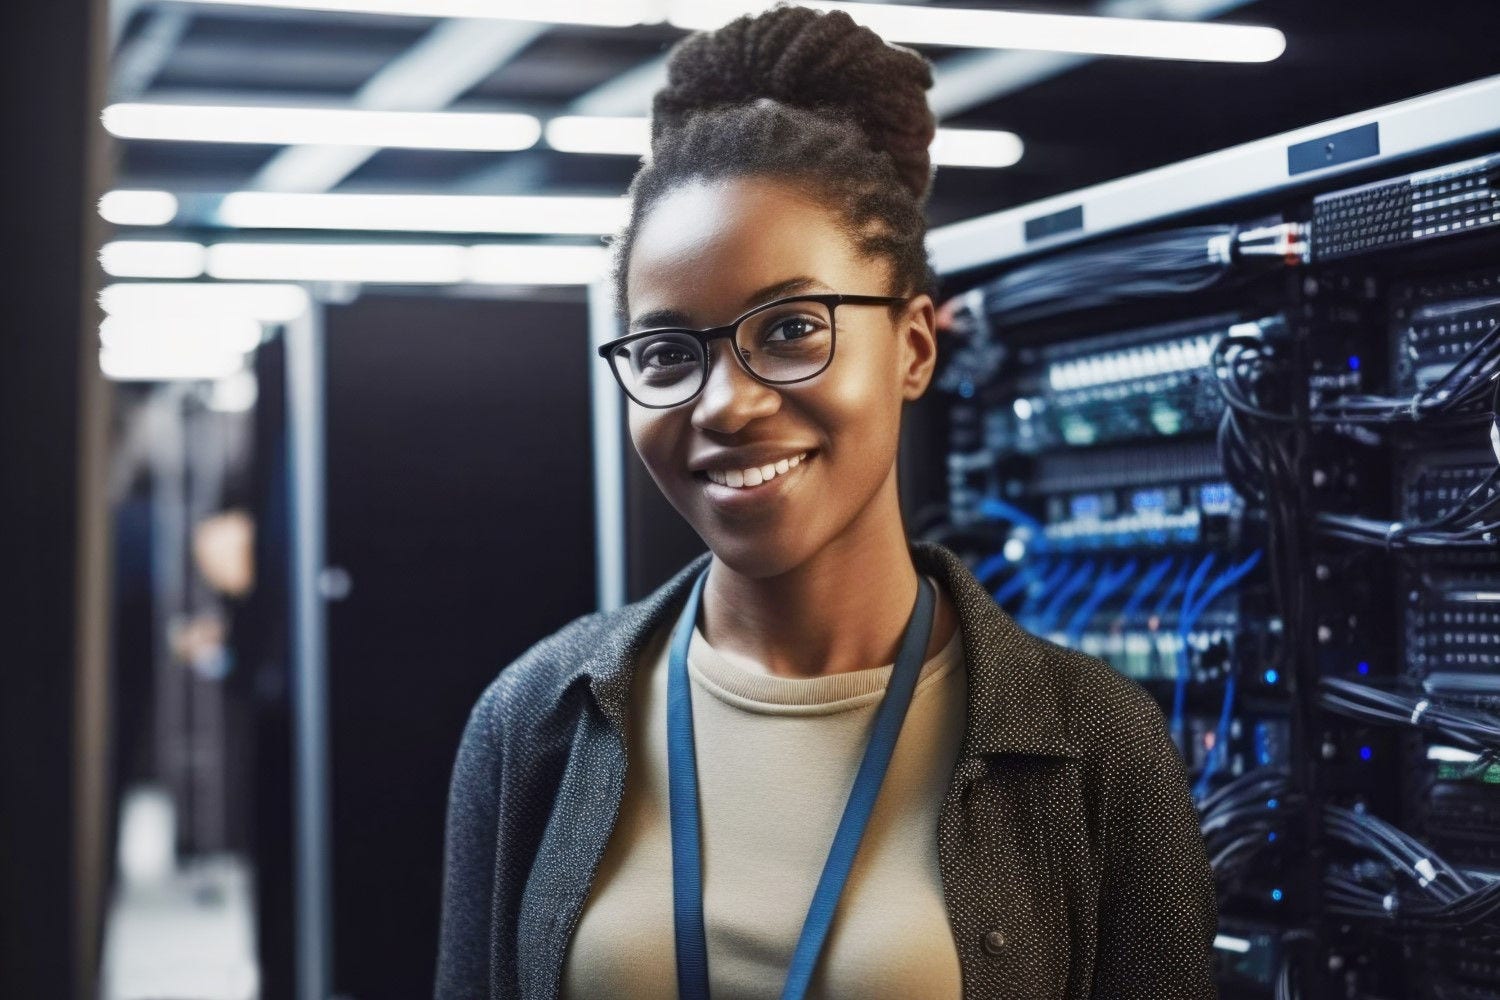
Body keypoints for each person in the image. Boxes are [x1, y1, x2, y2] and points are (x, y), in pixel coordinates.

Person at [434, 4, 1219, 998]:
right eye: (670, 352)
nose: (728, 404)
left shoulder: (1096, 743)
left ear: (915, 348)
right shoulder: (535, 719)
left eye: (794, 328)